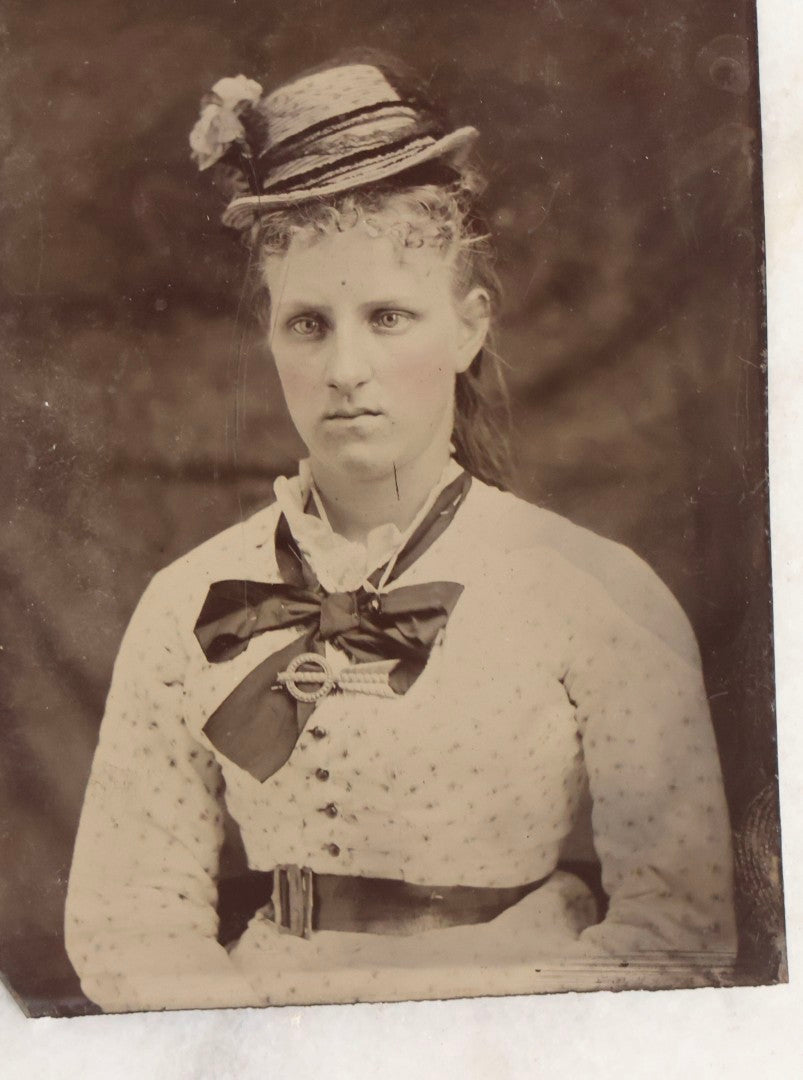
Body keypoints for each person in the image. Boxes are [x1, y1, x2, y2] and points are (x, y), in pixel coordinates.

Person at [65, 54, 737, 1013]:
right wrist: (246, 1044)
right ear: (269, 339)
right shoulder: (191, 602)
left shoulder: (596, 591)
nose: (346, 367)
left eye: (387, 316)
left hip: (512, 1034)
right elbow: (128, 913)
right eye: (307, 323)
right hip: (267, 1033)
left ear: (466, 329)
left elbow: (681, 928)